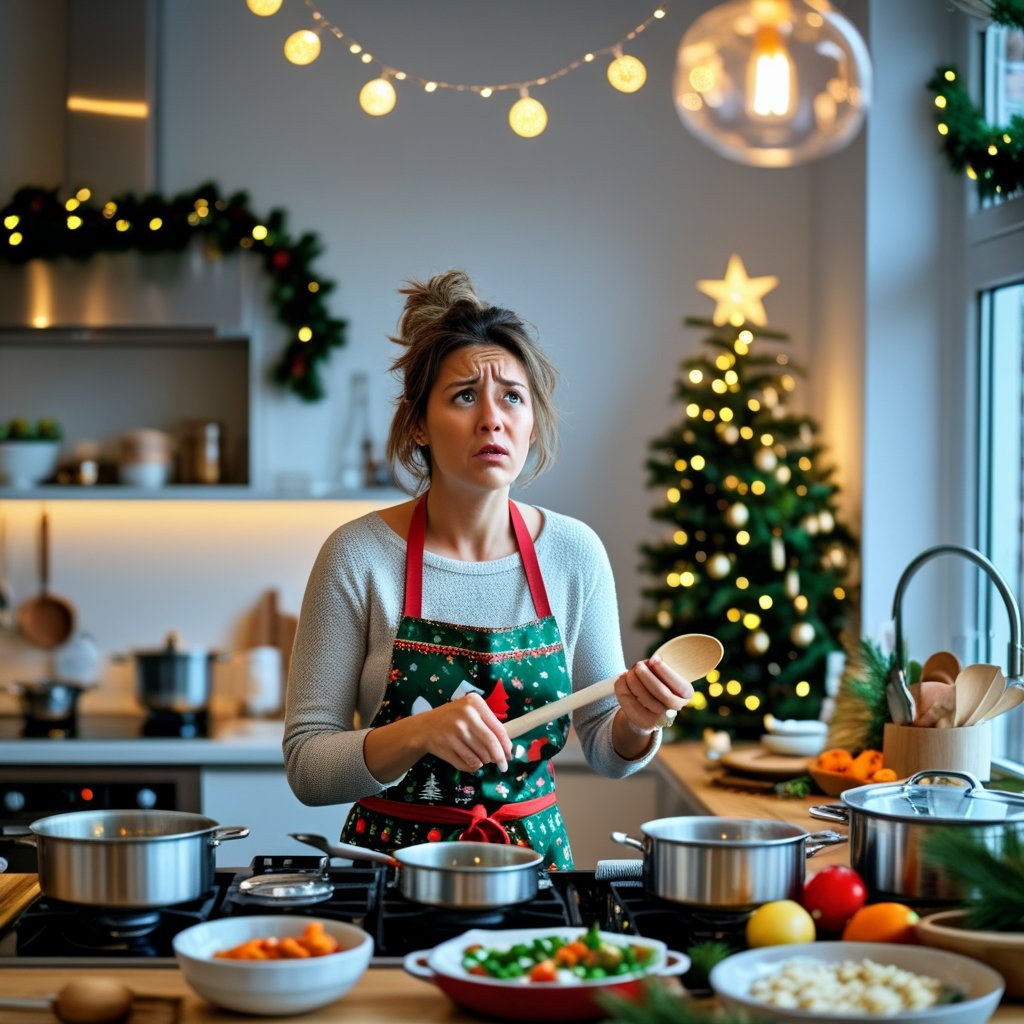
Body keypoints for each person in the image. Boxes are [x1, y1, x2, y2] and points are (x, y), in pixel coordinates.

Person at [283, 269, 693, 869]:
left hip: (532, 869)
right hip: (394, 872)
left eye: (512, 397)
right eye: (464, 396)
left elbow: (607, 749)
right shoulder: (357, 555)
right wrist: (419, 731)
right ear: (418, 423)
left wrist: (638, 722)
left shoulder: (574, 554)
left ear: (532, 422)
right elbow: (306, 765)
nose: (492, 419)